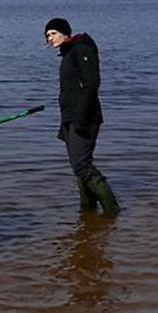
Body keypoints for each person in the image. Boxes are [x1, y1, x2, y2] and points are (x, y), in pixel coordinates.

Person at [44, 17, 120, 217]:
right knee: (79, 166)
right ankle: (88, 213)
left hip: (84, 118)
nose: (49, 39)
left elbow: (92, 84)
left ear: (64, 32)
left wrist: (81, 118)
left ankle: (112, 211)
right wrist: (66, 122)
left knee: (82, 165)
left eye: (52, 33)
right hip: (70, 118)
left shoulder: (82, 49)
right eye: (47, 36)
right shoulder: (68, 53)